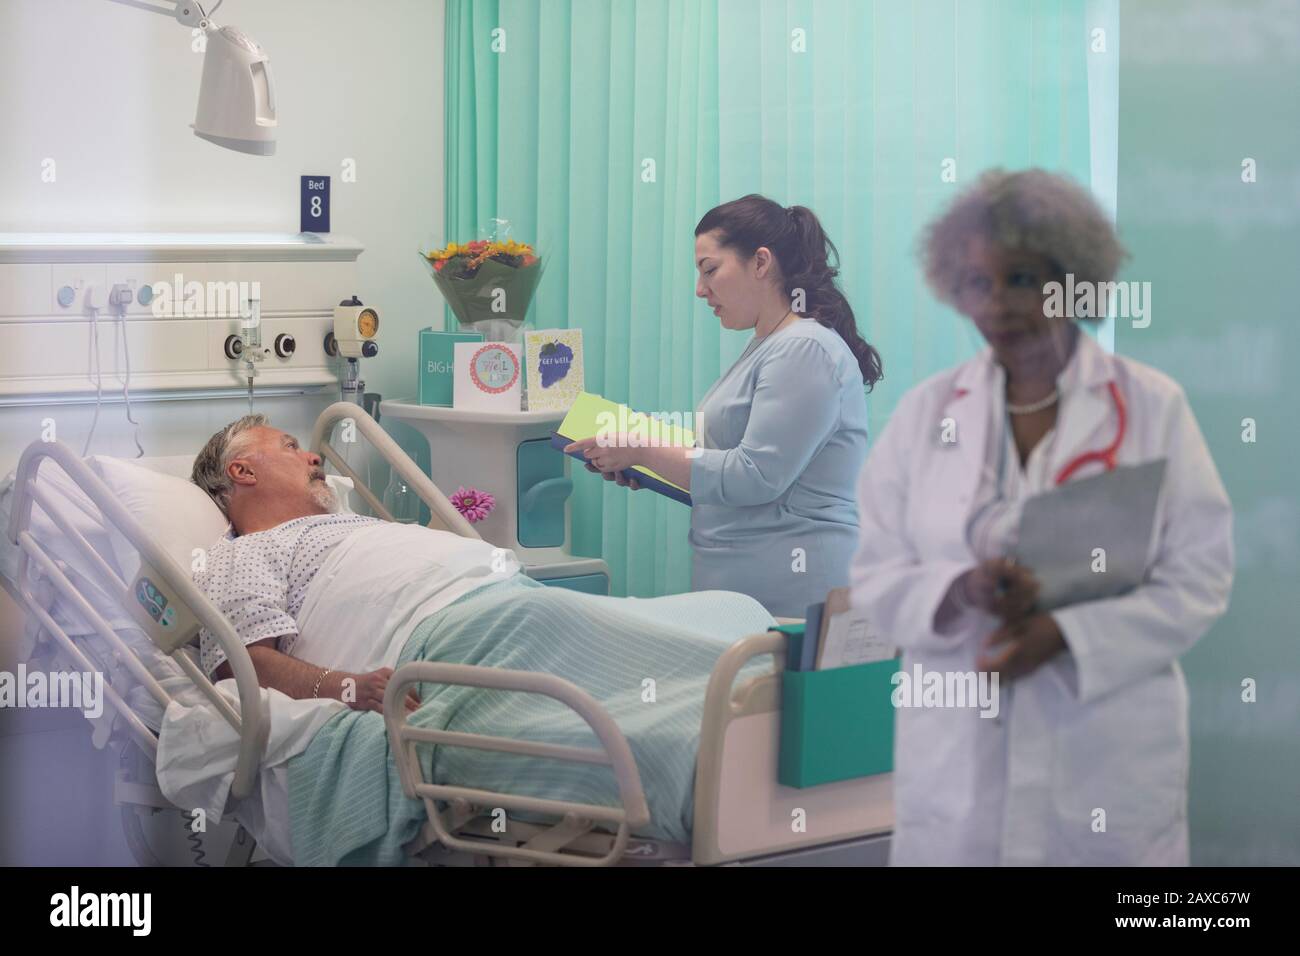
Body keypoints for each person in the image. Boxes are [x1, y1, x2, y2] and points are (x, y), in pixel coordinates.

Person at [849, 168, 1234, 865]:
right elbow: (876, 574)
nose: (997, 303)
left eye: (1021, 278)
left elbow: (1200, 575)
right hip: (959, 756)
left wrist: (1068, 633)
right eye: (975, 283)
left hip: (1104, 752)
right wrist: (960, 589)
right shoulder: (924, 416)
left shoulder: (1150, 407)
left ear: (1070, 278)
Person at [569, 195, 883, 617]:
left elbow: (755, 476)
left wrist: (644, 450)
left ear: (760, 263)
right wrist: (648, 464)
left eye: (710, 270)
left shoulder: (804, 349)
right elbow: (731, 467)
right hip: (746, 599)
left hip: (797, 594)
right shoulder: (769, 346)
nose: (701, 290)